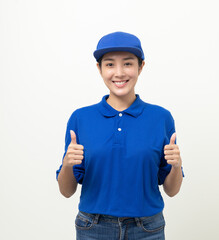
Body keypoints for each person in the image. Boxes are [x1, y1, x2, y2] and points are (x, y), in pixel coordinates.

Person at [56, 31, 184, 240]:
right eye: (109, 64)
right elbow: (66, 191)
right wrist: (68, 163)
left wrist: (177, 165)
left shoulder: (161, 118)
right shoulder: (80, 118)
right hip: (93, 228)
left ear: (141, 66)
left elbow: (171, 190)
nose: (119, 73)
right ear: (99, 69)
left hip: (147, 229)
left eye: (127, 63)